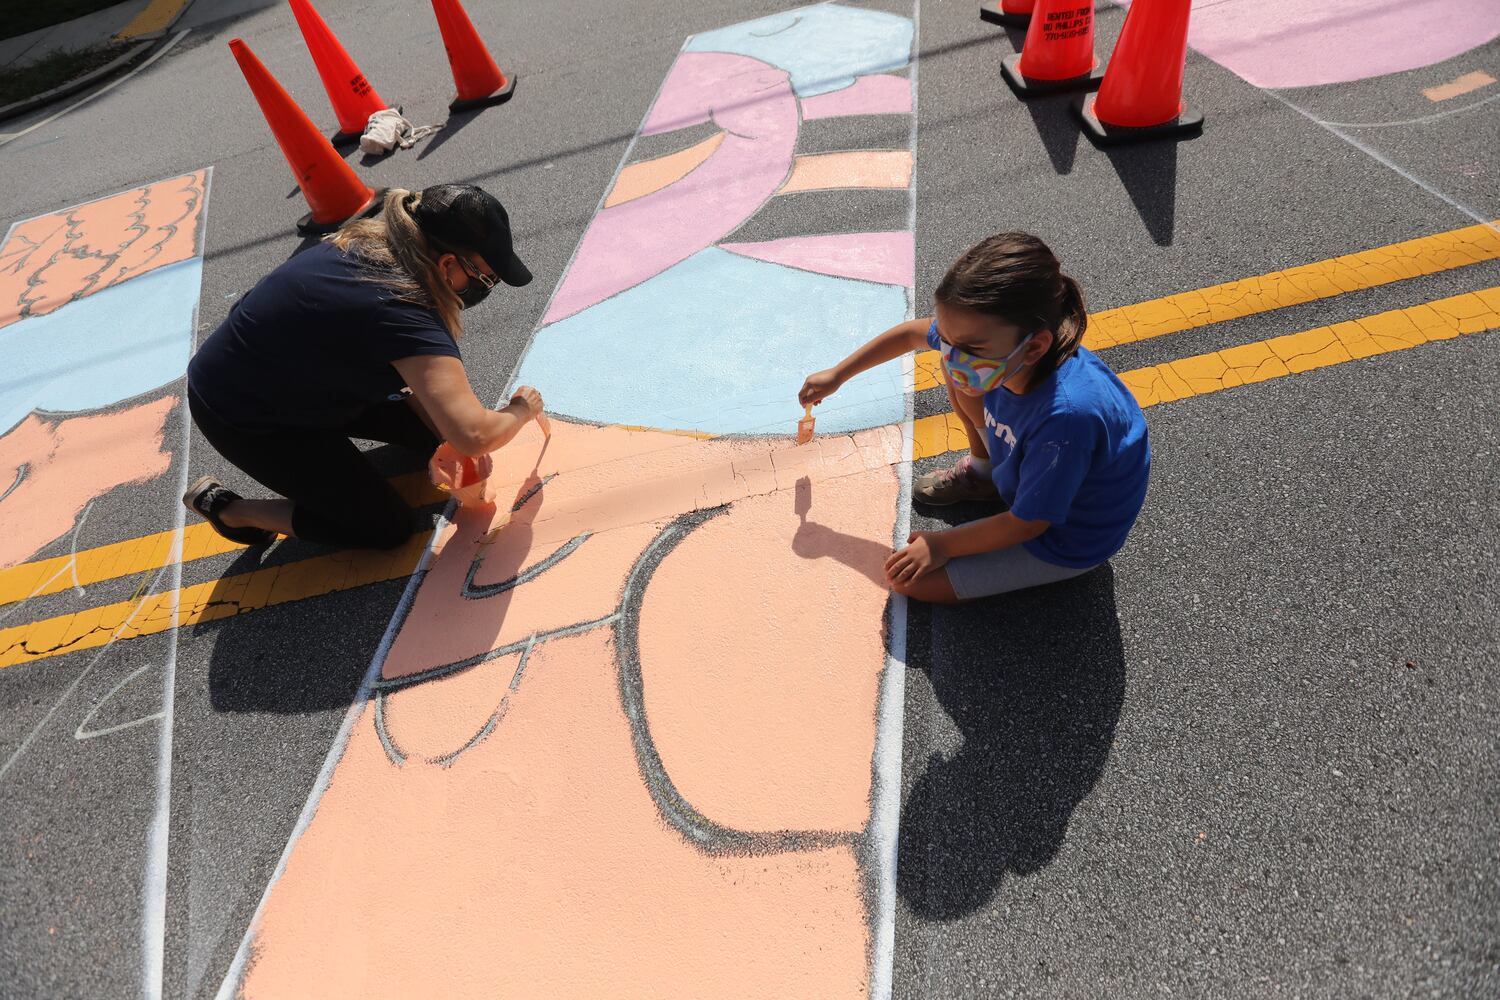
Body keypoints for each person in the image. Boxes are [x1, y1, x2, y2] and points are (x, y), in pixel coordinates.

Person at [183, 184, 545, 550]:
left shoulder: (385, 246)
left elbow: (441, 413)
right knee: (384, 526)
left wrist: (451, 437)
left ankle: (333, 459)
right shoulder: (403, 310)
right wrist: (520, 409)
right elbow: (475, 433)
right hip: (242, 412)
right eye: (486, 277)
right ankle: (232, 511)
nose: (487, 286)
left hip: (298, 374)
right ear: (448, 264)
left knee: (439, 436)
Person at [799, 232, 1150, 604]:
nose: (951, 352)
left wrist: (942, 544)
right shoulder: (994, 345)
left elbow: (1028, 523)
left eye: (968, 348)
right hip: (1037, 480)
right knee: (958, 374)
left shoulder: (1066, 420)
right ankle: (986, 477)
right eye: (947, 338)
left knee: (907, 582)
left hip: (1066, 538)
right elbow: (909, 335)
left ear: (1034, 346)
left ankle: (998, 484)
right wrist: (837, 374)